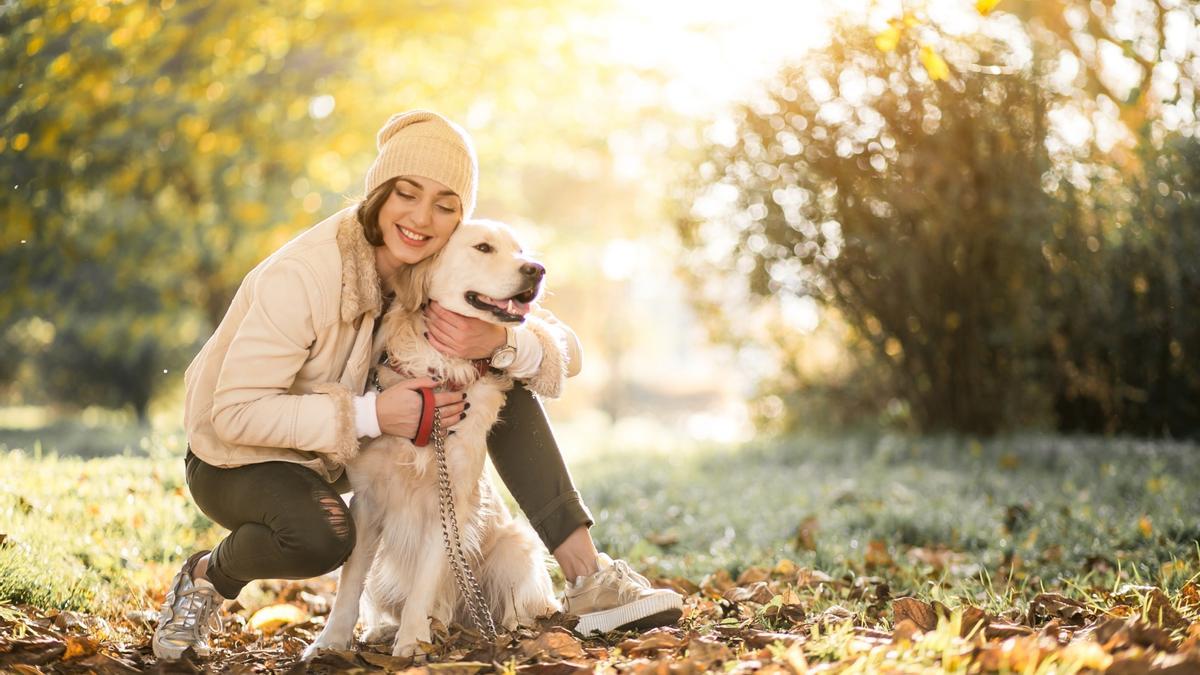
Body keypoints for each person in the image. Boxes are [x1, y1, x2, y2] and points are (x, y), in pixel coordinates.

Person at [151, 110, 682, 660]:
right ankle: (210, 574)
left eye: (446, 205)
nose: (423, 217)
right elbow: (233, 414)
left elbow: (564, 351)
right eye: (407, 193)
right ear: (378, 193)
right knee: (324, 535)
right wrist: (376, 416)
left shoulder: (435, 265)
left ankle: (588, 577)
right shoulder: (305, 275)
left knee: (503, 378)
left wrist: (496, 345)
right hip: (237, 457)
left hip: (330, 455)